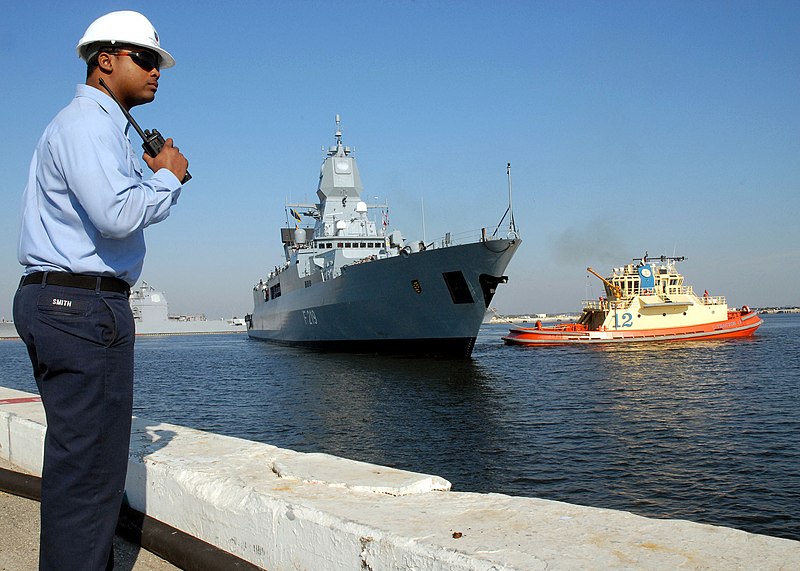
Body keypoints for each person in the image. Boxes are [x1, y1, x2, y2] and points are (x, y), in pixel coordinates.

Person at [13, 11, 189, 571]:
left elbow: (104, 208)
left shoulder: (86, 126)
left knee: (76, 468)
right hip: (82, 307)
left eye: (158, 61)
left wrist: (147, 175)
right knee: (92, 476)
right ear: (105, 60)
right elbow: (115, 215)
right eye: (146, 59)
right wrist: (168, 176)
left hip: (59, 301)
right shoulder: (90, 124)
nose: (157, 70)